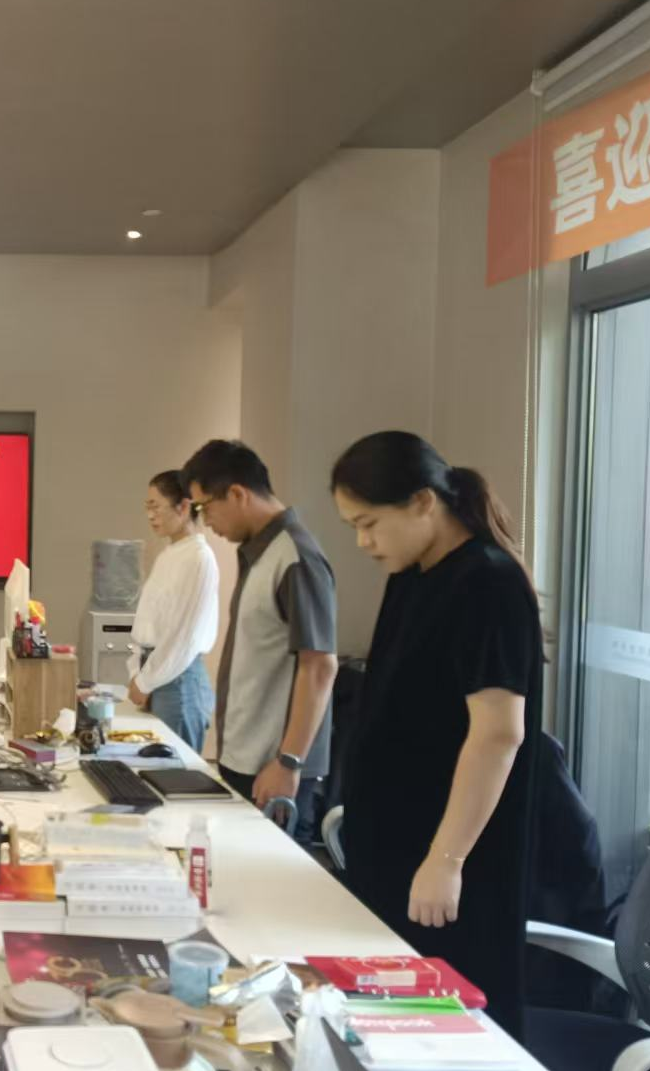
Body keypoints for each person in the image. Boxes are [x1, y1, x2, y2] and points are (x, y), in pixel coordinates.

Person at [330, 430, 542, 1039]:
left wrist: (446, 860)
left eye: (369, 523)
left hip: (445, 856)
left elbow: (498, 735)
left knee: (445, 1028)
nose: (364, 542)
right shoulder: (413, 574)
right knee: (383, 1026)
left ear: (423, 502)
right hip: (394, 847)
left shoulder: (488, 583)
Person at [182, 439, 337, 841]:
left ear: (237, 494)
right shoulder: (259, 554)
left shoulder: (296, 557)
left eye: (204, 508)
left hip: (276, 769)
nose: (205, 522)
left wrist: (289, 761)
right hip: (246, 759)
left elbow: (319, 666)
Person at [125, 470, 220, 753]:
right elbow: (147, 623)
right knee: (152, 764)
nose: (150, 516)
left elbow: (183, 637)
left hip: (178, 679)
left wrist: (144, 681)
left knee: (174, 769)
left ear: (183, 507)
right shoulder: (170, 554)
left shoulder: (199, 558)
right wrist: (137, 672)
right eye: (148, 507)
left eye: (156, 507)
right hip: (157, 672)